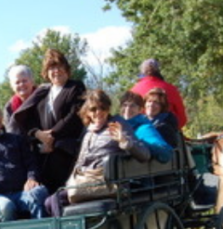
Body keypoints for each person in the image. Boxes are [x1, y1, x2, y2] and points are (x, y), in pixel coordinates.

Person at [44, 89, 152, 217]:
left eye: (102, 108)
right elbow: (80, 163)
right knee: (49, 202)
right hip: (86, 181)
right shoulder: (88, 131)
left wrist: (124, 141)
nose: (98, 112)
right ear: (87, 113)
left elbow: (145, 155)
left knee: (55, 201)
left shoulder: (118, 124)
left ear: (108, 108)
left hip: (107, 182)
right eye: (93, 109)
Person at [9, 49, 87, 192]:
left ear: (66, 69)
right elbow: (29, 117)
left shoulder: (75, 87)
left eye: (59, 66)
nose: (56, 71)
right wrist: (38, 134)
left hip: (67, 149)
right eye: (51, 68)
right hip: (45, 150)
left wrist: (52, 137)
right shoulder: (43, 92)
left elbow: (74, 116)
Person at [116, 90, 173, 163]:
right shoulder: (117, 125)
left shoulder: (144, 129)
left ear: (140, 110)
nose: (127, 109)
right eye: (125, 105)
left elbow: (165, 154)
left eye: (132, 106)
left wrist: (139, 144)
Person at [130, 58, 188, 129]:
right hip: (167, 133)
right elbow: (182, 119)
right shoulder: (171, 89)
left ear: (142, 72)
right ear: (158, 71)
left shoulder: (133, 91)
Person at [3, 64, 36, 133]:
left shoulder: (43, 98)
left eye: (24, 81)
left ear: (32, 81)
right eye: (17, 82)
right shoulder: (9, 107)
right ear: (12, 86)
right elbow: (11, 132)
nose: (21, 84)